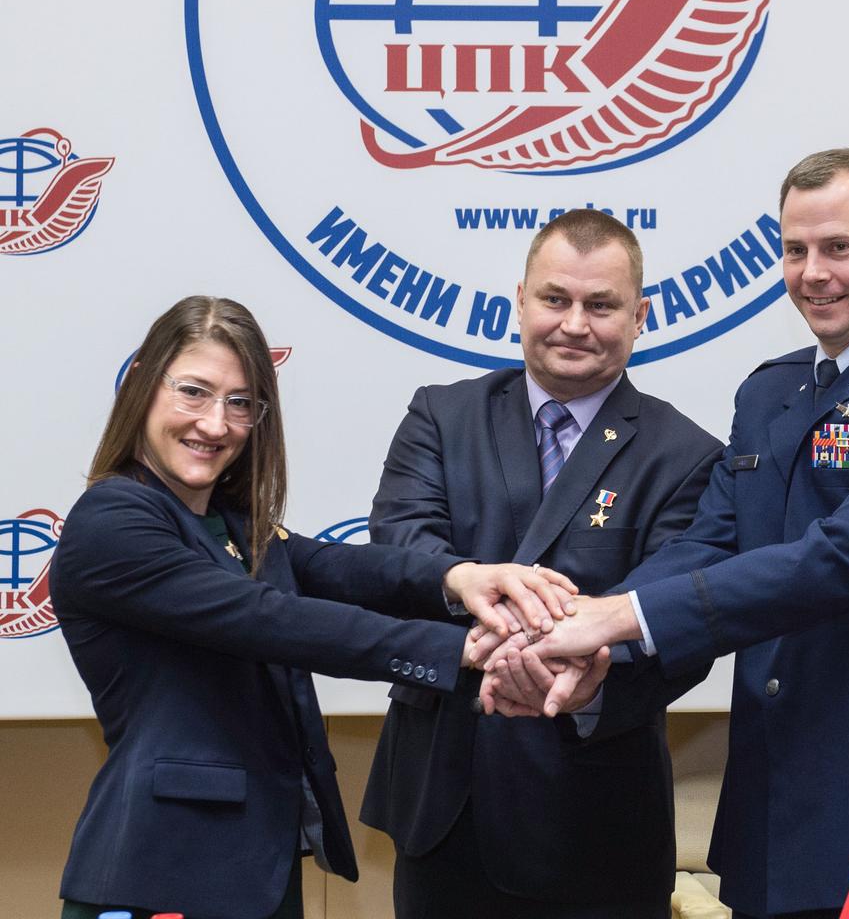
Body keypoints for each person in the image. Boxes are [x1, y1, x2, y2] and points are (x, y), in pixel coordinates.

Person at [478, 150, 849, 919]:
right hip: (779, 778)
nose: (814, 273)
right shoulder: (770, 391)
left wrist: (616, 618)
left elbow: (841, 558)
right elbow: (710, 544)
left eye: (839, 247)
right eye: (795, 249)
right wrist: (585, 634)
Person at [50, 295, 577, 919]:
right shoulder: (114, 519)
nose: (216, 424)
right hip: (162, 875)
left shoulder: (231, 525)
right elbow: (268, 619)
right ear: (141, 385)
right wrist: (460, 649)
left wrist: (462, 577)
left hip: (254, 869)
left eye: (240, 403)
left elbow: (343, 569)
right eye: (194, 391)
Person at [360, 210, 723, 919]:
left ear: (641, 315)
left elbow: (682, 623)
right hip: (445, 805)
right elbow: (400, 544)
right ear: (519, 300)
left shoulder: (686, 456)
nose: (574, 324)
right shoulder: (440, 415)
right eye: (555, 299)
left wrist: (578, 677)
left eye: (602, 305)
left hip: (597, 819)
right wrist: (484, 600)